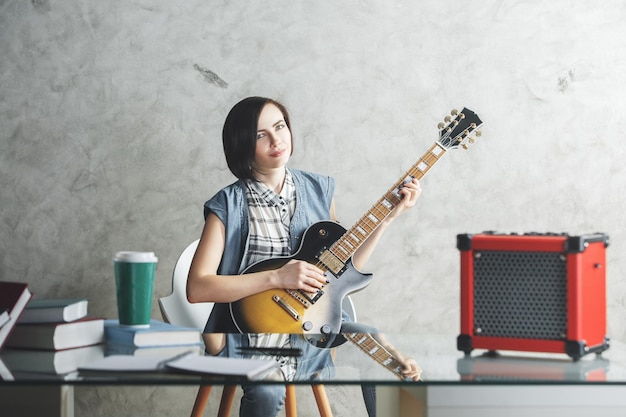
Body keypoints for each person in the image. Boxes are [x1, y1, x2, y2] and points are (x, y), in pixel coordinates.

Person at [187, 96, 422, 417]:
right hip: (249, 337)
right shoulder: (227, 204)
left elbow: (341, 271)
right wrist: (276, 277)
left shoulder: (319, 189)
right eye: (260, 135)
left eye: (280, 126)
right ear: (242, 144)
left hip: (310, 328)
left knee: (383, 359)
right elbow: (198, 288)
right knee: (268, 393)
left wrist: (388, 218)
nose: (276, 140)